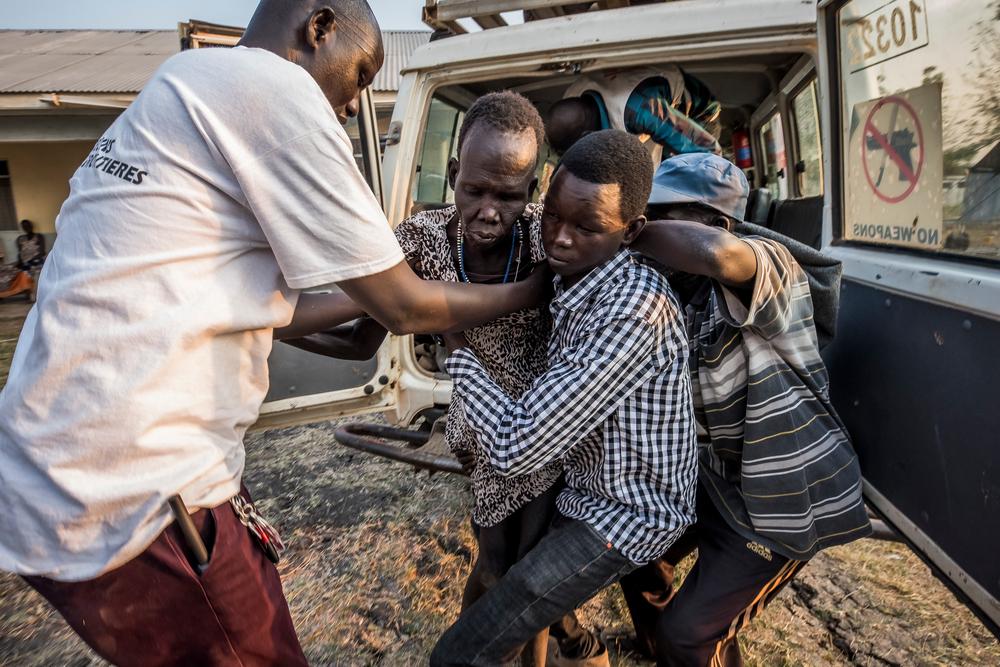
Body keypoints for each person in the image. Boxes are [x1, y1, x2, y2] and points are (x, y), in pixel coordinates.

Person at [0, 2, 548, 665]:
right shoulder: (277, 92)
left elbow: (273, 308)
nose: (356, 101)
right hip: (137, 495)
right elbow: (403, 308)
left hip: (48, 481)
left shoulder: (182, 83)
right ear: (319, 26)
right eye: (362, 71)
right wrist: (529, 292)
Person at [288, 90, 601, 666]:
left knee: (527, 569)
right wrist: (272, 330)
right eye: (474, 189)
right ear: (453, 172)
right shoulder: (422, 242)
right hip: (480, 434)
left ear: (532, 190)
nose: (488, 210)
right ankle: (519, 643)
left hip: (544, 429)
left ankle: (532, 650)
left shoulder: (544, 241)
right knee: (496, 561)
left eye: (508, 195)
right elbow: (363, 335)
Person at [429, 130, 698, 667]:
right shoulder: (572, 277)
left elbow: (515, 445)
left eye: (587, 227)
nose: (559, 239)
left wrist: (455, 346)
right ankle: (574, 643)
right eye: (552, 216)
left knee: (460, 653)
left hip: (622, 513)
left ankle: (566, 642)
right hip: (579, 477)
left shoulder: (631, 313)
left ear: (631, 231)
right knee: (501, 571)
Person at [616, 153, 872, 665]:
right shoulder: (670, 291)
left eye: (661, 217)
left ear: (719, 223)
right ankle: (659, 645)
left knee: (691, 636)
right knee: (630, 550)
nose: (647, 228)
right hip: (715, 483)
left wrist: (618, 230)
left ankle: (686, 644)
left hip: (779, 504)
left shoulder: (772, 268)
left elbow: (717, 255)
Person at [545, 66, 722, 164]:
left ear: (586, 135)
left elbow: (708, 150)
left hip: (699, 114)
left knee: (677, 172)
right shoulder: (571, 96)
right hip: (642, 107)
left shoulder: (642, 110)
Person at [15, 219, 45, 302]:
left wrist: (31, 261)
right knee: (11, 272)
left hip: (36, 261)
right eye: (24, 226)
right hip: (25, 263)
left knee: (33, 273)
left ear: (32, 226)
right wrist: (20, 261)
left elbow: (42, 252)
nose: (26, 227)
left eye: (28, 225)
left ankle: (33, 297)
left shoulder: (39, 237)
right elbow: (20, 253)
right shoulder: (20, 239)